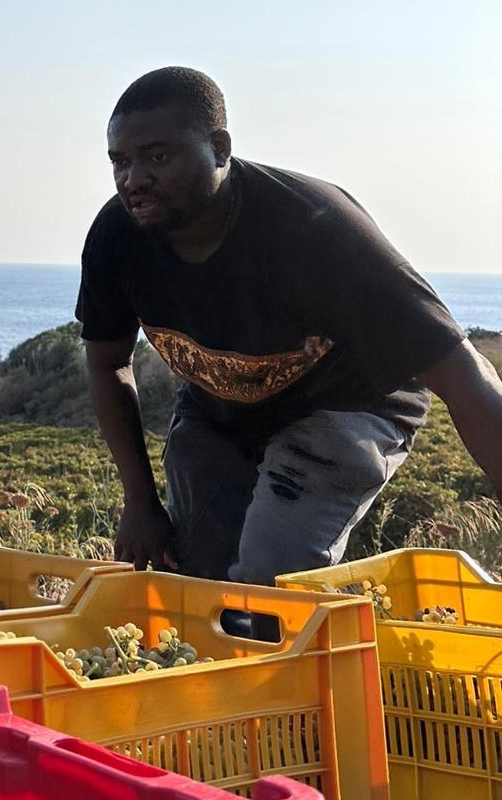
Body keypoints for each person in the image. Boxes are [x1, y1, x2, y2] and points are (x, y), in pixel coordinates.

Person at [76, 66, 502, 590]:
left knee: (267, 585)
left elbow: (467, 378)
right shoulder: (118, 237)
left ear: (219, 147)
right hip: (221, 411)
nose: (133, 180)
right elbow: (108, 362)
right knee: (193, 583)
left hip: (345, 406)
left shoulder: (315, 230)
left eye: (158, 157)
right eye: (120, 161)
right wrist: (139, 501)